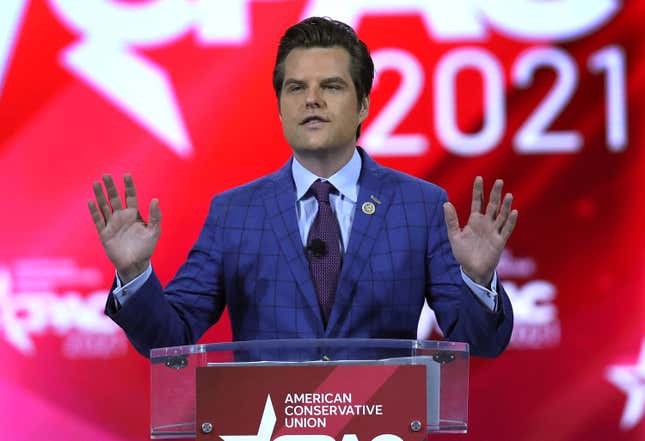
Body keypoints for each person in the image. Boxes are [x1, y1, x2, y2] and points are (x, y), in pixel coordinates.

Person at [89, 17, 517, 358]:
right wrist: (134, 274)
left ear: (363, 103)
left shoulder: (418, 206)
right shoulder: (234, 213)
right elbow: (170, 338)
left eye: (330, 86)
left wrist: (478, 278)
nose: (311, 99)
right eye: (296, 88)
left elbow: (481, 342)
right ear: (280, 107)